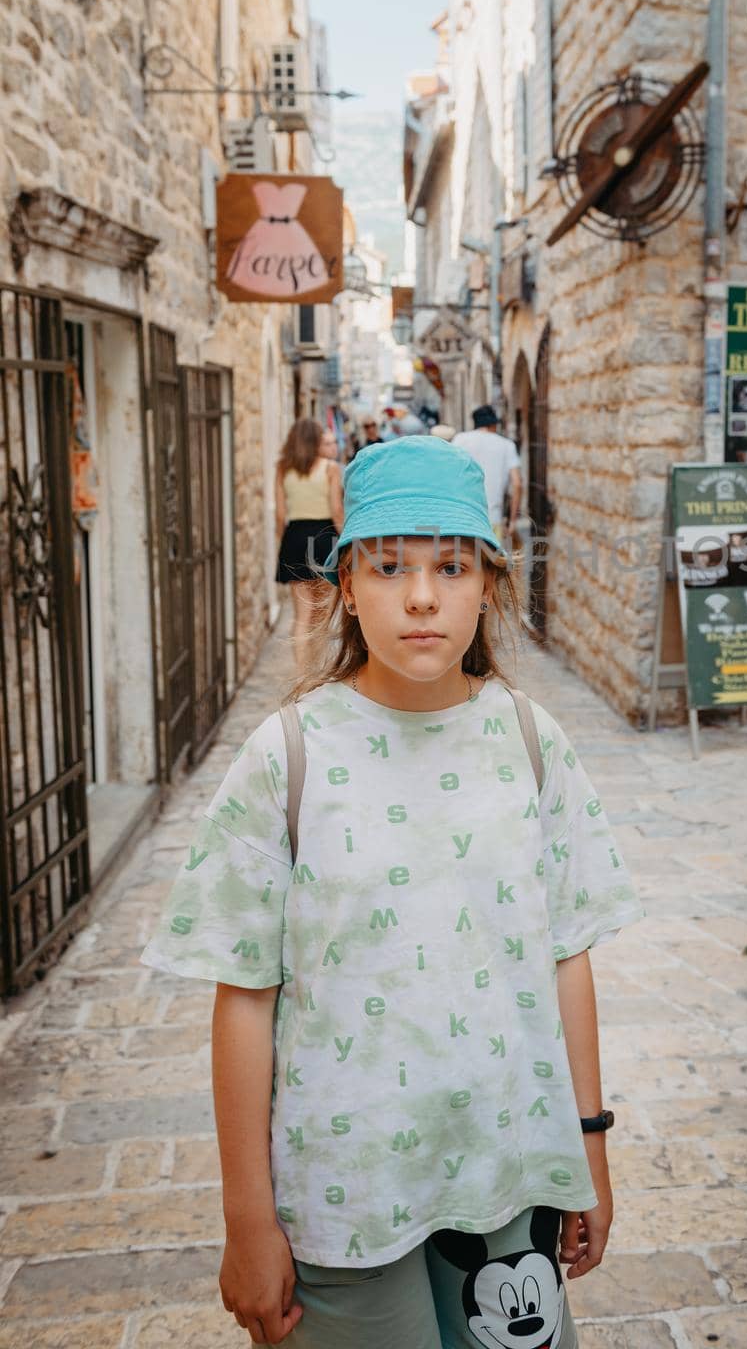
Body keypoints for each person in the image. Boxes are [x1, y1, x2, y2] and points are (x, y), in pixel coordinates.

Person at [140, 437, 643, 1349]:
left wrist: (589, 1152)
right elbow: (245, 998)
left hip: (509, 1173)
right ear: (344, 586)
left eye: (451, 566)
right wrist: (248, 1221)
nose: (421, 596)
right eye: (389, 566)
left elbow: (567, 958)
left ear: (488, 584)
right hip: (349, 1193)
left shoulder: (532, 744)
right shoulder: (286, 760)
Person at [274, 418, 343, 671]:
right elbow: (337, 511)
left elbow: (281, 514)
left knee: (301, 615)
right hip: (324, 538)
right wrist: (346, 543)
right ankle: (317, 669)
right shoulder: (330, 468)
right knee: (320, 613)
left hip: (295, 537)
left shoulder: (283, 468)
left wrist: (283, 542)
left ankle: (303, 671)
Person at [453, 405, 522, 541]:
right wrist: (513, 521)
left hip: (462, 518)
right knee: (491, 561)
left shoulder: (459, 440)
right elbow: (517, 484)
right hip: (492, 518)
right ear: (493, 424)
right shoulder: (507, 445)